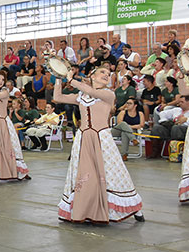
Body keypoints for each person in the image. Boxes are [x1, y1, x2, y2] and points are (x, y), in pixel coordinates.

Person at [53, 66, 143, 223]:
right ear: (92, 76)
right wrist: (58, 76)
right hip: (83, 139)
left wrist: (72, 80)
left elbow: (93, 93)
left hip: (102, 138)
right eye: (102, 72)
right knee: (84, 175)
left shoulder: (109, 94)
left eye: (108, 74)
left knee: (113, 172)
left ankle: (134, 207)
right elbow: (58, 97)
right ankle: (84, 210)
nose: (106, 76)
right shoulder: (82, 95)